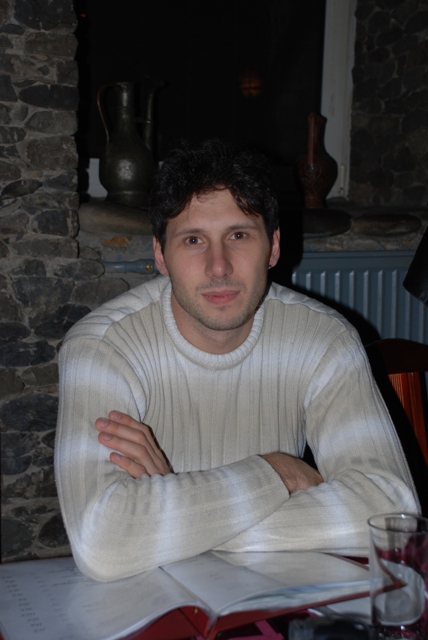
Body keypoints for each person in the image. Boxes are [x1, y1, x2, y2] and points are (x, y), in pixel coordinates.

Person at [55, 139, 418, 582]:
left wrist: (176, 514)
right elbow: (103, 542)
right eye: (193, 240)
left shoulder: (323, 339)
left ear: (274, 246)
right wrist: (277, 472)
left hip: (273, 593)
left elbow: (391, 513)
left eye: (239, 235)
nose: (219, 266)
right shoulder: (102, 349)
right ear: (160, 255)